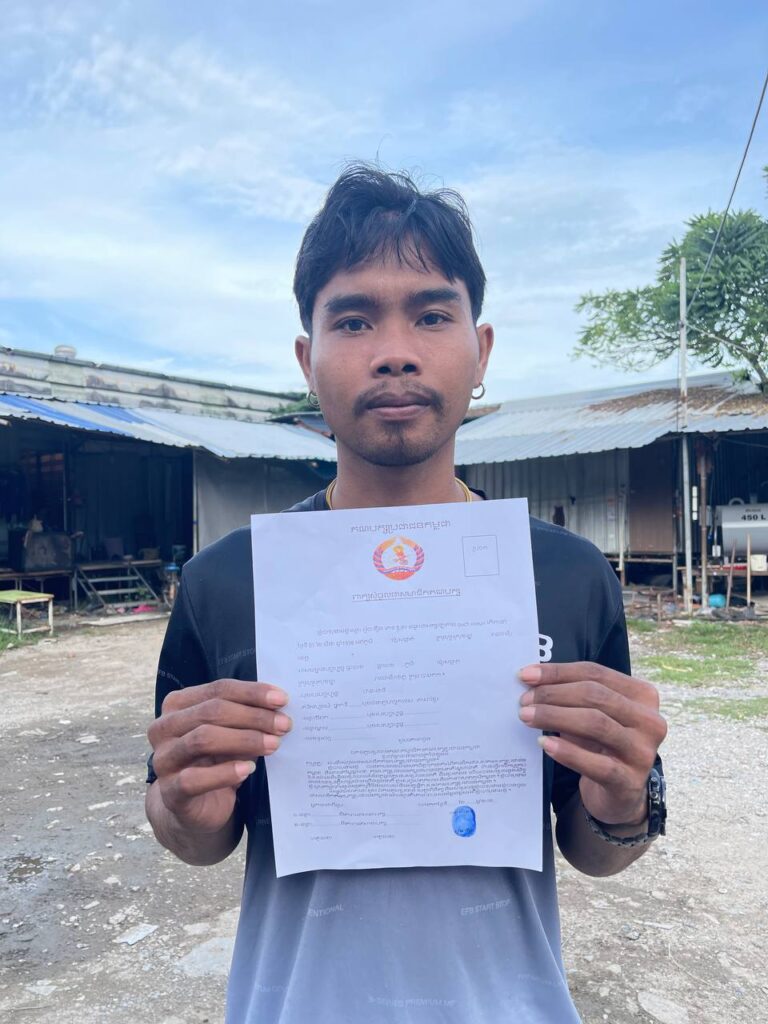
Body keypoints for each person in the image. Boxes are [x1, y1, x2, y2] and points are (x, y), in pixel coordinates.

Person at [146, 165, 668, 1023]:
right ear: (309, 360)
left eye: (431, 315)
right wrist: (183, 809)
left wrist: (623, 799)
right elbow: (199, 837)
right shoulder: (228, 581)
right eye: (354, 320)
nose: (394, 350)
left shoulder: (568, 575)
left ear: (481, 350)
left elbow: (594, 846)